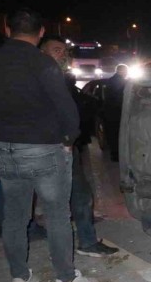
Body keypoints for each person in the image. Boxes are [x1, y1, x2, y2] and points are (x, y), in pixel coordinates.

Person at [0, 7, 98, 282]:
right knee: (57, 215)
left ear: (7, 29)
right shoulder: (42, 63)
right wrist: (68, 139)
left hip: (6, 147)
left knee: (14, 217)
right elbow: (65, 107)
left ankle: (20, 278)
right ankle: (65, 280)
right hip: (45, 147)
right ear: (41, 32)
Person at [39, 35, 118, 257]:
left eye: (64, 51)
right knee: (66, 199)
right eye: (57, 50)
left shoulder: (59, 78)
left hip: (64, 145)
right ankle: (70, 255)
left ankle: (83, 243)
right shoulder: (42, 78)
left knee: (78, 196)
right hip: (52, 146)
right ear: (42, 52)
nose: (63, 55)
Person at [102, 63, 128, 162]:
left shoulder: (111, 81)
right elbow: (120, 99)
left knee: (112, 134)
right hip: (116, 112)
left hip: (110, 112)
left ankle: (114, 154)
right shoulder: (121, 82)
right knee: (117, 134)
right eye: (125, 71)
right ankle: (117, 155)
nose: (126, 73)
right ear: (121, 71)